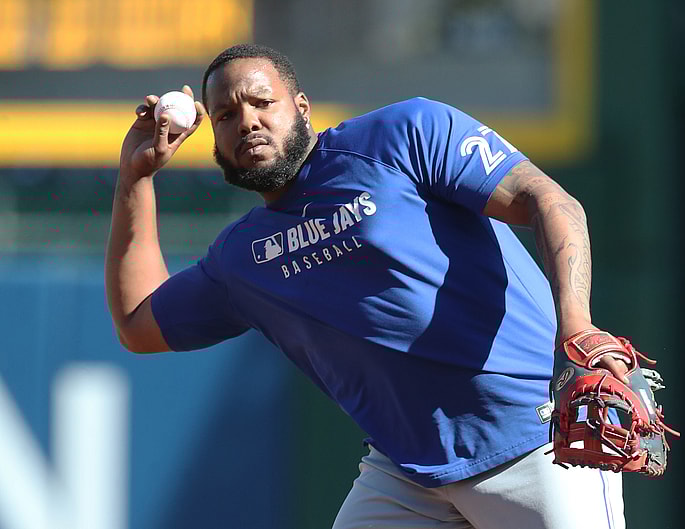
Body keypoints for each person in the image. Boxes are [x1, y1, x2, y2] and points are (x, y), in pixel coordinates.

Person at [106, 43, 632, 529]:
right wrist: (136, 178)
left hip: (533, 438)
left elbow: (551, 201)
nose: (247, 121)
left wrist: (577, 326)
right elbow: (138, 324)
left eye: (262, 102)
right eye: (225, 115)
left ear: (303, 106)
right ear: (214, 137)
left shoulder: (401, 135)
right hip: (407, 472)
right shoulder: (241, 259)